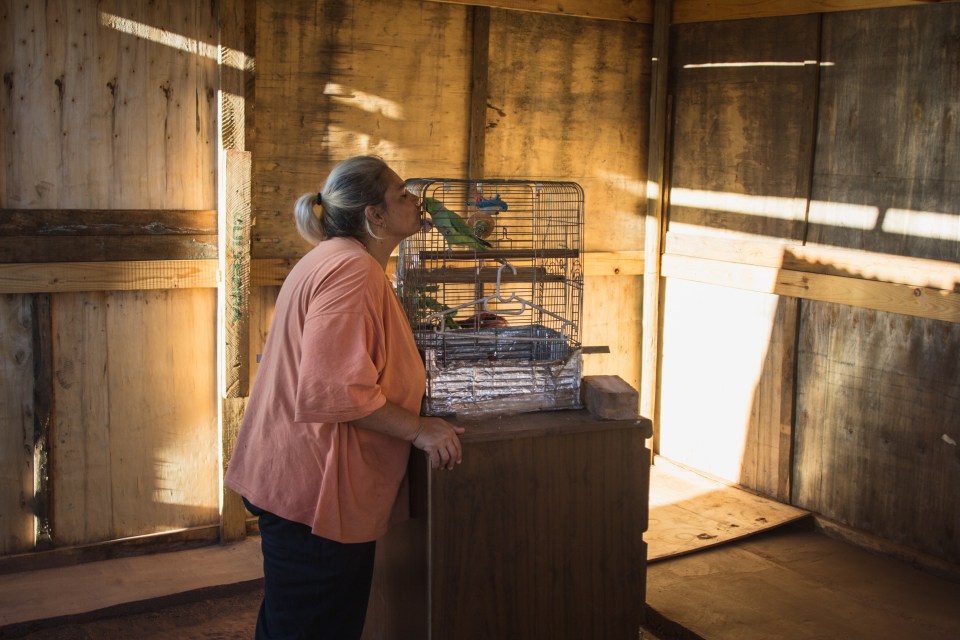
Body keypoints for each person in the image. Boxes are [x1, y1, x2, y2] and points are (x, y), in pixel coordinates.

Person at [224, 155, 464, 639]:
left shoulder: (339, 260)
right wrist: (420, 428)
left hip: (297, 480)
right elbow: (334, 390)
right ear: (374, 215)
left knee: (294, 623)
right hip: (313, 492)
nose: (416, 201)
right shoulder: (352, 271)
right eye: (402, 195)